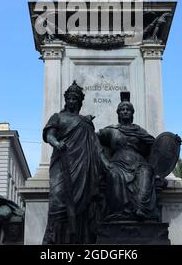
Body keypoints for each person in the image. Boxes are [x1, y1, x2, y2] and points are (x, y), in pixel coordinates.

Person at [42, 81, 101, 244]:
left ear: (80, 101)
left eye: (75, 99)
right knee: (57, 198)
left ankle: (79, 239)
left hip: (83, 165)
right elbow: (49, 135)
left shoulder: (85, 121)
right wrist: (57, 143)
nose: (72, 101)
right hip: (62, 162)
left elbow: (94, 143)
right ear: (66, 100)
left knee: (82, 203)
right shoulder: (57, 117)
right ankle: (53, 239)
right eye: (70, 98)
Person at [97, 92, 159, 221]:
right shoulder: (111, 130)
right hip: (118, 164)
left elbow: (156, 145)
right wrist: (103, 160)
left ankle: (141, 209)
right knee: (113, 174)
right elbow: (93, 139)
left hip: (139, 163)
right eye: (122, 110)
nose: (125, 112)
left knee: (146, 172)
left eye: (128, 110)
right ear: (118, 113)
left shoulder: (139, 131)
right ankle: (119, 212)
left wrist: (171, 143)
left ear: (132, 113)